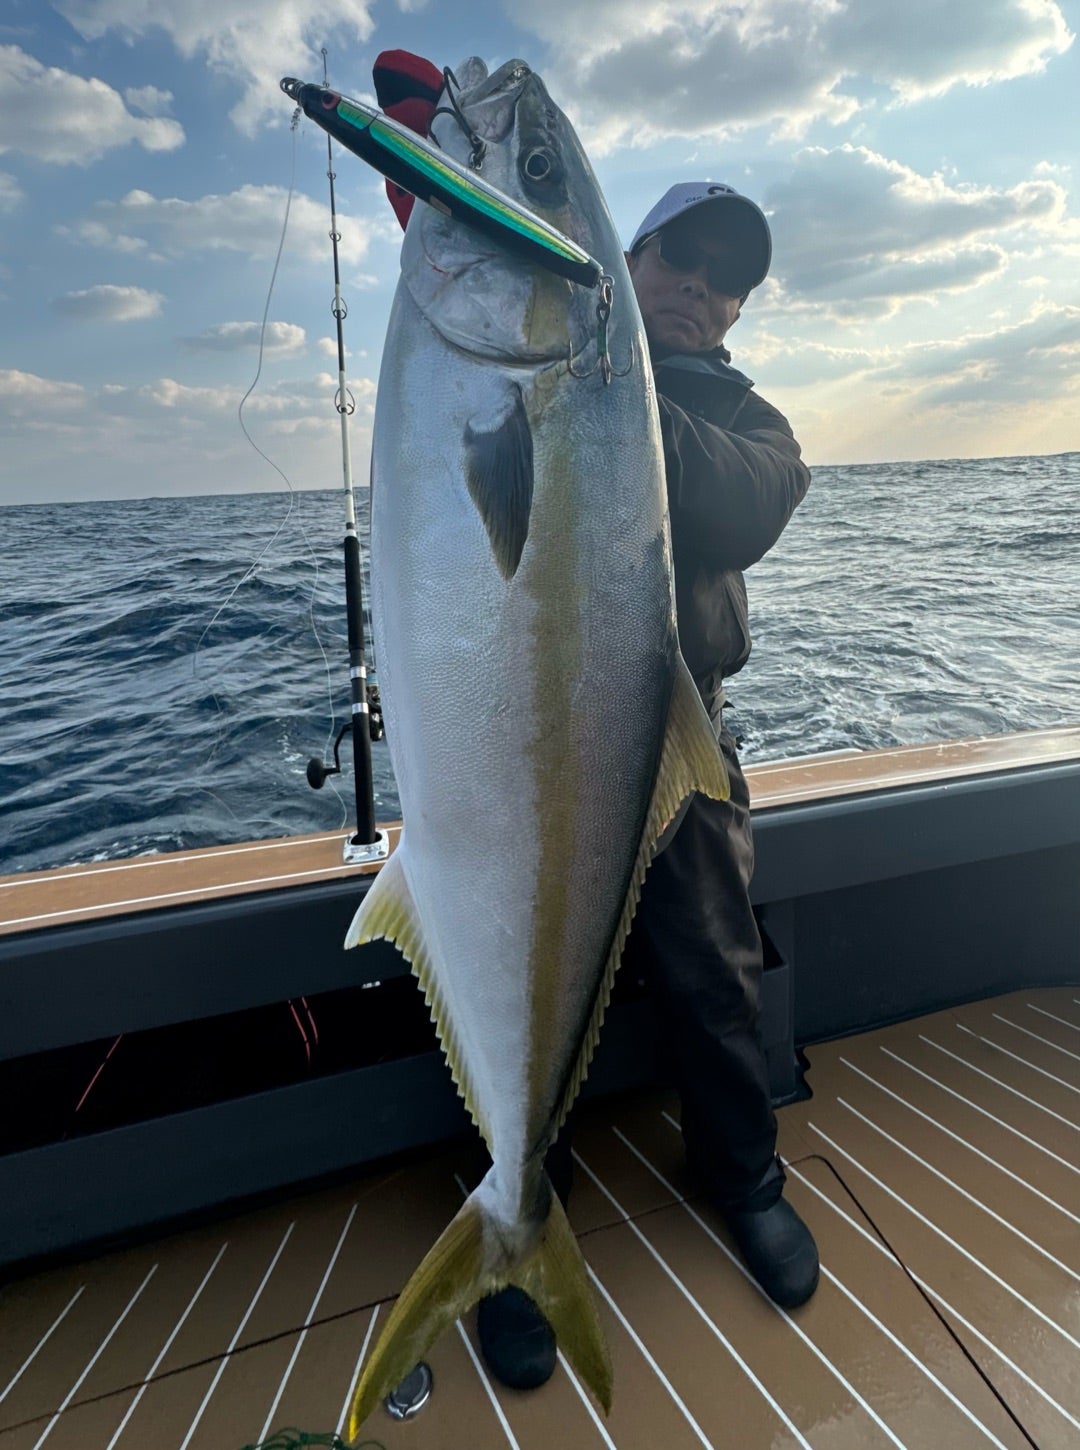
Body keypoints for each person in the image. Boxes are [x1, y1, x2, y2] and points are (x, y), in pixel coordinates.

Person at [371, 53, 817, 1394]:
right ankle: (523, 1193)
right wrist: (468, 227)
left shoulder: (759, 428)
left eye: (724, 278)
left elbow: (737, 505)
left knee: (714, 964)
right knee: (511, 945)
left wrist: (598, 363)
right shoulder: (565, 344)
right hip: (530, 745)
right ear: (628, 255)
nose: (698, 286)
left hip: (679, 756)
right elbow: (491, 392)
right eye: (673, 258)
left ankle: (744, 1170)